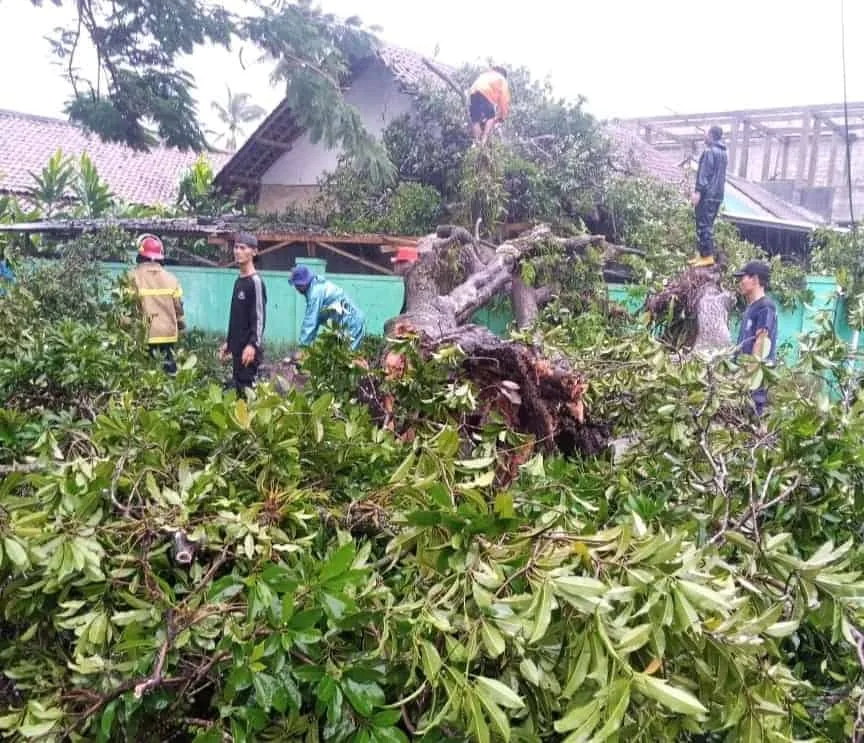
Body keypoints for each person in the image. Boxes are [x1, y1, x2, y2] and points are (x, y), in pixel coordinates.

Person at [128, 234, 185, 374]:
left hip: (143, 335)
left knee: (144, 374)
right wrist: (182, 328)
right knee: (168, 373)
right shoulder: (172, 279)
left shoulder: (131, 277)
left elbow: (126, 307)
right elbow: (179, 309)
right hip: (167, 335)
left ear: (140, 256)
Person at [220, 233, 266, 397]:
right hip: (237, 351)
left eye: (242, 248)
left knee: (249, 395)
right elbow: (237, 318)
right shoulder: (238, 281)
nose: (237, 251)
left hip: (249, 353)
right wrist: (229, 342)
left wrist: (253, 345)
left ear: (253, 252)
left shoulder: (256, 282)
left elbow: (259, 319)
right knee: (238, 393)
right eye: (236, 247)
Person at [733, 260, 777, 416]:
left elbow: (761, 341)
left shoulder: (765, 306)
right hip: (744, 373)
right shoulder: (751, 307)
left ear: (755, 279)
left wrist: (748, 378)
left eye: (742, 278)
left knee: (751, 415)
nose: (740, 283)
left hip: (754, 380)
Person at [291, 265, 365, 351]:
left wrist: (302, 347)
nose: (296, 288)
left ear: (302, 284)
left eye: (296, 285)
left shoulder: (315, 293)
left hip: (351, 325)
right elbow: (316, 320)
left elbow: (310, 322)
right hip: (345, 325)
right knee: (338, 355)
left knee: (347, 358)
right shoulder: (316, 286)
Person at [689, 125, 728, 268]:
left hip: (707, 194)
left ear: (711, 135)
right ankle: (701, 254)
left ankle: (707, 256)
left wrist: (698, 192)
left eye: (705, 133)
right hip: (717, 194)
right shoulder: (723, 153)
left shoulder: (710, 152)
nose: (704, 136)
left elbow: (705, 174)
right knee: (708, 223)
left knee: (703, 224)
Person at [468, 66, 511, 145]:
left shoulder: (486, 74)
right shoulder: (502, 79)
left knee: (476, 119)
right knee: (491, 116)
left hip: (473, 93)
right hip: (486, 92)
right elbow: (504, 100)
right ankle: (484, 140)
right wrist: (502, 117)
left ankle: (477, 141)